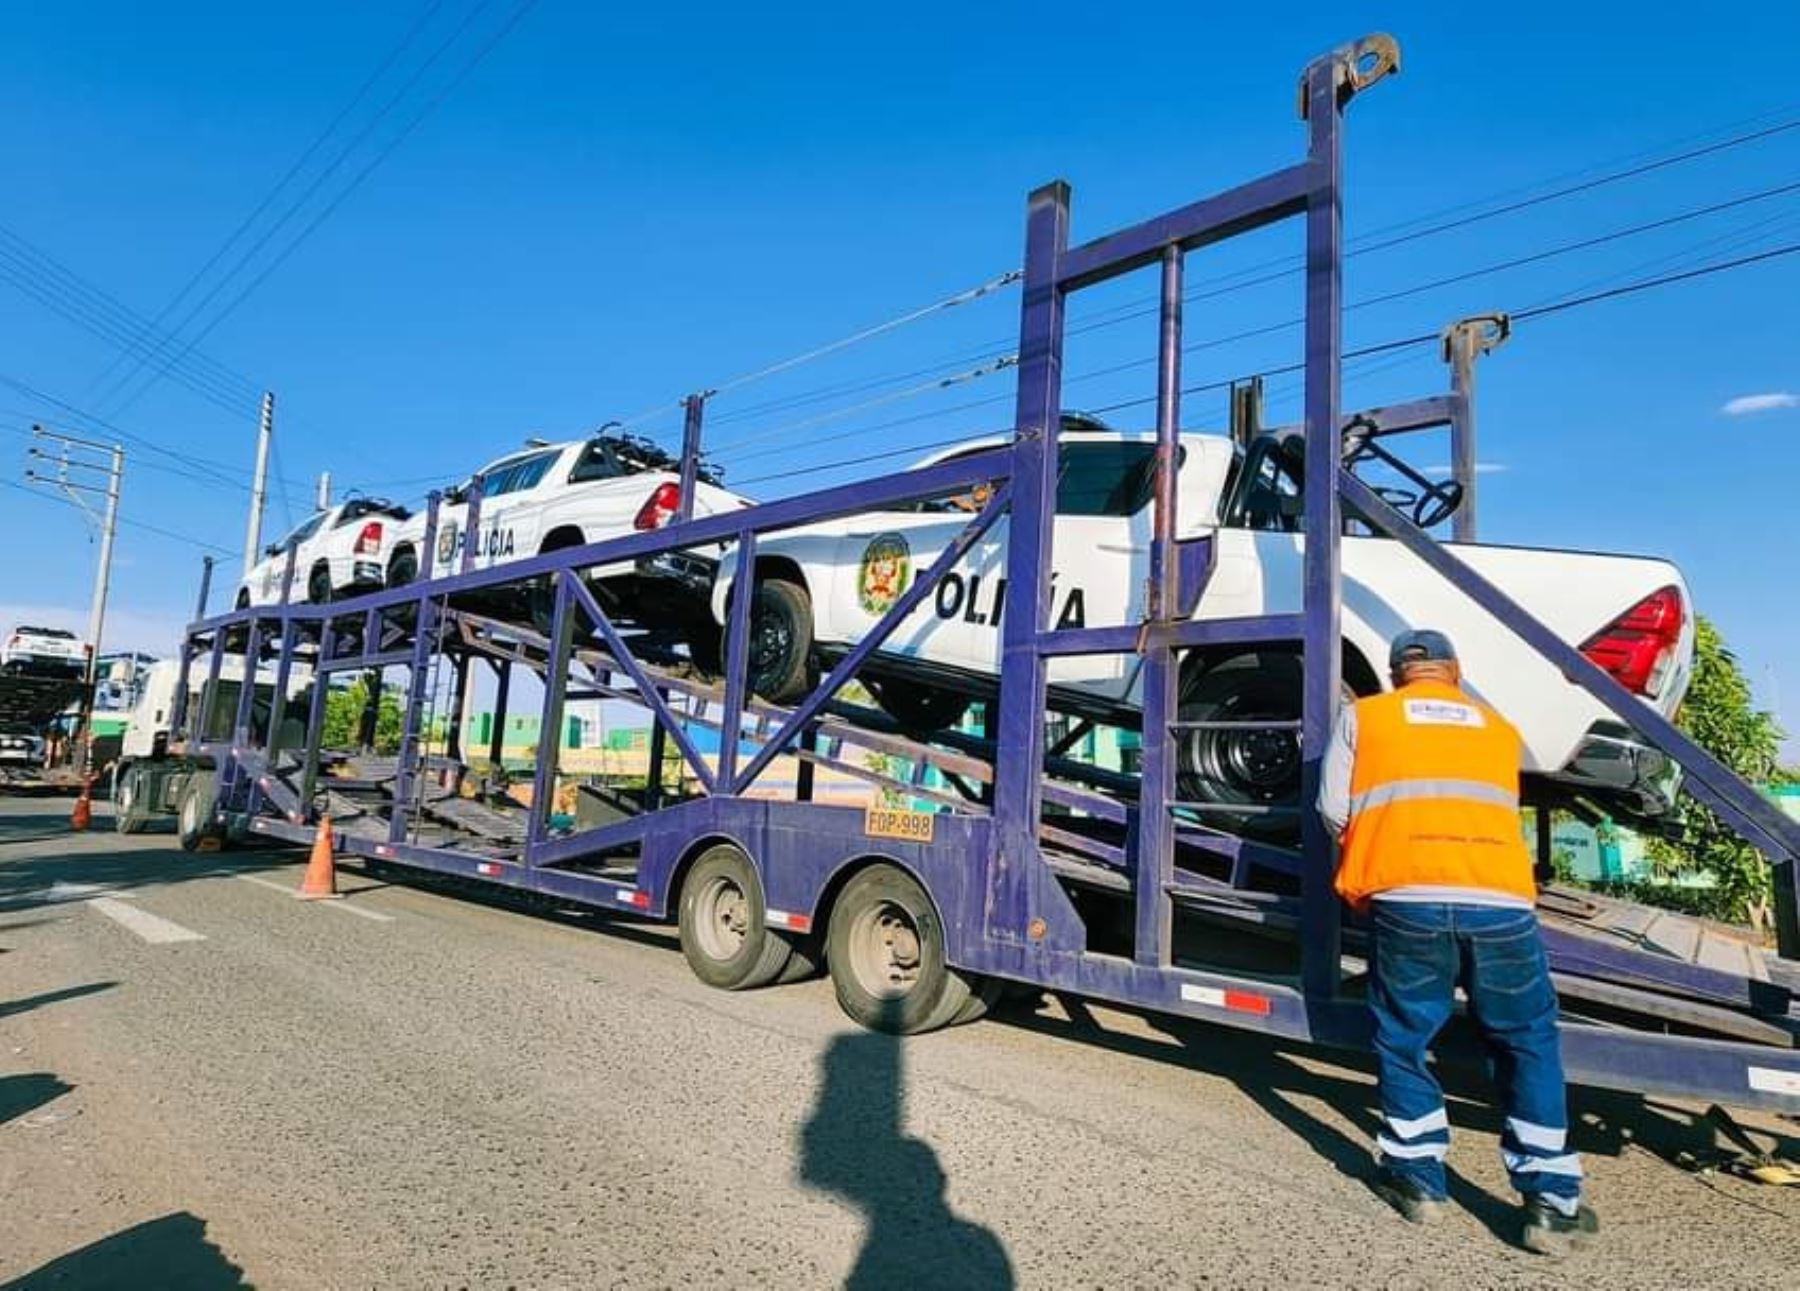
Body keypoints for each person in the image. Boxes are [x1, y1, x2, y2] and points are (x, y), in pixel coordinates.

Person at [1318, 629, 1599, 1257]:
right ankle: (1550, 1203)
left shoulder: (1364, 717)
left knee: (1404, 1036)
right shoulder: (1497, 728)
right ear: (1456, 670)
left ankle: (1417, 1180)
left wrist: (1379, 844)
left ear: (1395, 674)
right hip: (1499, 901)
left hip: (1406, 898)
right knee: (1525, 1040)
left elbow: (1332, 807)